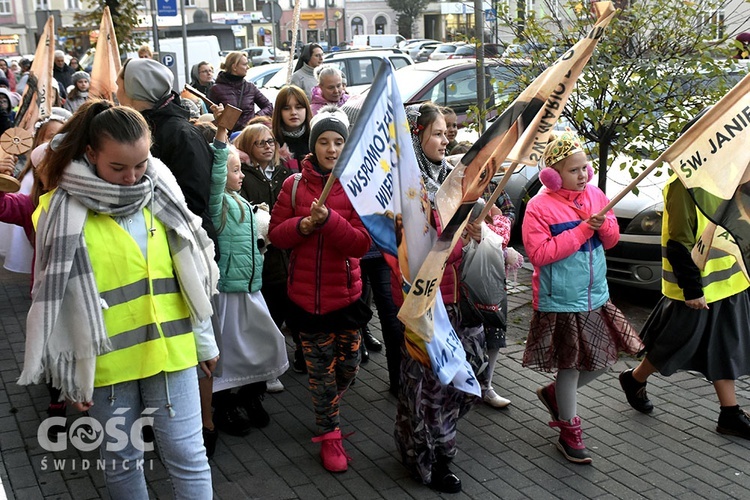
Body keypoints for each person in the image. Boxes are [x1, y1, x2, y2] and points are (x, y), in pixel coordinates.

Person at [18, 100, 218, 499]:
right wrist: (74, 375)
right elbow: (55, 301)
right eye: (118, 167)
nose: (131, 178)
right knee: (121, 461)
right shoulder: (57, 212)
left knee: (188, 456)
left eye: (141, 164)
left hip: (170, 351)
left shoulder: (163, 193)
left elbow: (188, 276)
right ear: (90, 154)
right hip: (107, 363)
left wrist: (205, 339)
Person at [618, 109, 750, 440]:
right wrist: (692, 290)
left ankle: (729, 414)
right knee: (671, 345)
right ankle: (634, 379)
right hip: (696, 289)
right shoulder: (683, 186)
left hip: (729, 282)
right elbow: (678, 244)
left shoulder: (729, 176)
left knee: (724, 345)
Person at [522, 130, 642, 465]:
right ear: (552, 174)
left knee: (606, 357)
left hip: (596, 294)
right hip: (560, 299)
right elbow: (540, 254)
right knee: (571, 368)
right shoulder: (538, 207)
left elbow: (613, 239)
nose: (583, 175)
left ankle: (556, 395)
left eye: (584, 168)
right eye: (574, 170)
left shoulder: (595, 193)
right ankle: (568, 431)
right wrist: (583, 230)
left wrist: (603, 227)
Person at [268, 105, 372, 473]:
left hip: (346, 298)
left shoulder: (358, 185)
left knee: (349, 365)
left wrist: (329, 222)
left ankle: (329, 402)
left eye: (339, 142)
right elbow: (277, 236)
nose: (331, 148)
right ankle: (329, 435)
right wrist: (303, 226)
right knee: (320, 375)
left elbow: (360, 245)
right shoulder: (292, 185)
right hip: (304, 300)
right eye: (324, 142)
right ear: (314, 146)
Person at [394, 102, 485, 494]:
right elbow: (397, 252)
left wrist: (472, 235)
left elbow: (457, 252)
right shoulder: (405, 191)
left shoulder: (453, 181)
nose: (445, 139)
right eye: (436, 133)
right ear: (417, 136)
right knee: (426, 388)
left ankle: (420, 440)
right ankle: (432, 456)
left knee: (465, 375)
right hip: (421, 306)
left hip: (452, 302)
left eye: (448, 133)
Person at [207, 109, 288, 444]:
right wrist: (221, 136)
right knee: (230, 354)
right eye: (235, 169)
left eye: (241, 169)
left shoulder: (239, 201)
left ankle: (251, 396)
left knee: (268, 343)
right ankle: (224, 405)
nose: (241, 175)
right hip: (229, 292)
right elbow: (215, 178)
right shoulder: (218, 204)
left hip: (251, 289)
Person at [234, 124, 299, 381]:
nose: (268, 146)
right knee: (269, 313)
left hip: (287, 252)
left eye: (271, 141)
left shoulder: (284, 172)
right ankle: (268, 369)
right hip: (263, 254)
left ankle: (301, 356)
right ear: (248, 146)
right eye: (260, 142)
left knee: (291, 308)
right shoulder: (245, 176)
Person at [209, 51, 273, 133]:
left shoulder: (250, 87)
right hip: (227, 136)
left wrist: (256, 118)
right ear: (234, 67)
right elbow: (210, 116)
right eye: (245, 64)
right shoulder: (216, 89)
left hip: (248, 134)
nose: (248, 67)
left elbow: (269, 106)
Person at [272, 85, 311, 173]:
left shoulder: (315, 140)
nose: (293, 112)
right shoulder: (271, 142)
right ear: (279, 111)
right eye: (286, 108)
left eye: (298, 107)